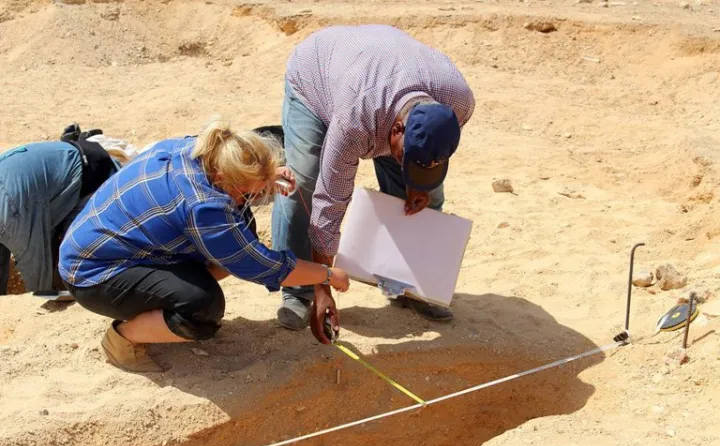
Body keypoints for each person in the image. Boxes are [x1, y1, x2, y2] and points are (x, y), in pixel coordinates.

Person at [59, 119, 351, 373]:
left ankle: (166, 299)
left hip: (101, 244)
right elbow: (263, 266)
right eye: (248, 192)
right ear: (224, 178)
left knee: (241, 226)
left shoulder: (196, 149)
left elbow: (239, 228)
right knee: (203, 309)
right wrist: (327, 275)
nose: (255, 197)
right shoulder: (205, 207)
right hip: (93, 275)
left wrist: (265, 176)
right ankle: (123, 338)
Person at [271, 25, 475, 342]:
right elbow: (330, 205)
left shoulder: (458, 101)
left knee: (428, 199)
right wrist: (323, 287)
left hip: (378, 68)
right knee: (305, 182)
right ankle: (298, 290)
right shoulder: (356, 121)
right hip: (317, 75)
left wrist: (419, 185)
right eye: (406, 158)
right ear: (395, 130)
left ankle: (405, 285)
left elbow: (432, 151)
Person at [0, 126, 124, 295]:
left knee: (63, 266)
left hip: (89, 180)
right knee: (44, 280)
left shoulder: (11, 215)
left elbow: (39, 276)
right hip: (35, 194)